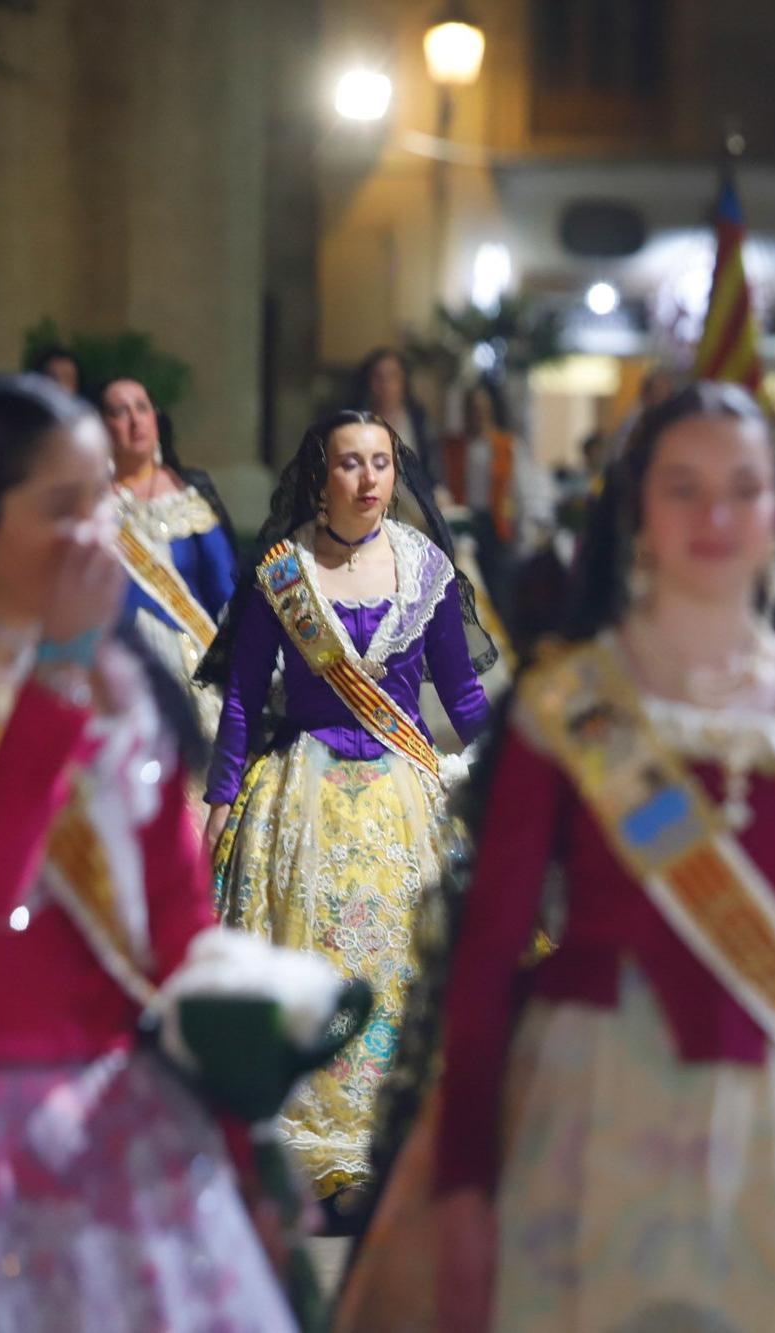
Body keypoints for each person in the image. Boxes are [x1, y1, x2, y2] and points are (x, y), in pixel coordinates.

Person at [342, 383, 775, 1331]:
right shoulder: (569, 708)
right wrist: (462, 1181)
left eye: (741, 488)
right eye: (683, 487)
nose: (714, 515)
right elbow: (487, 961)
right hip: (594, 1117)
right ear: (637, 513)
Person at [0, 375, 293, 1330]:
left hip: (123, 1120)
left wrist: (248, 1146)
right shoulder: (62, 685)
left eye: (100, 503)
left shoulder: (125, 689)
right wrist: (58, 677)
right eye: (60, 508)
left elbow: (180, 933)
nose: (93, 535)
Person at [199, 409, 494, 1220]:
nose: (368, 480)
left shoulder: (424, 568)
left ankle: (395, 1138)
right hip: (302, 796)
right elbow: (241, 699)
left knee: (402, 966)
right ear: (320, 474)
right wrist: (223, 797)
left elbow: (462, 694)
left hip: (403, 794)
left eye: (382, 463)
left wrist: (510, 774)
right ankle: (309, 1141)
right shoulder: (282, 572)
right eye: (350, 464)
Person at [96, 377, 237, 736]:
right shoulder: (89, 506)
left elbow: (225, 591)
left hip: (194, 668)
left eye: (142, 408)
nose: (135, 420)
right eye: (119, 411)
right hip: (120, 668)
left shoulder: (188, 497)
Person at [438, 379, 556, 610]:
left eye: (482, 409)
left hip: (497, 527)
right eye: (472, 409)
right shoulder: (452, 447)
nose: (477, 415)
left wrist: (523, 532)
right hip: (461, 526)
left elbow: (521, 491)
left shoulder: (508, 446)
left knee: (500, 594)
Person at [353, 348, 439, 485]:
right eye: (378, 377)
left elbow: (431, 466)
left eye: (392, 376)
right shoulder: (356, 423)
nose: (385, 384)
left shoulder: (417, 420)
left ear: (403, 382)